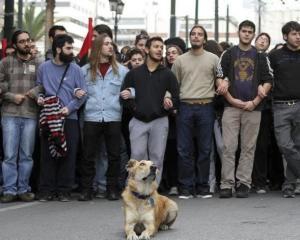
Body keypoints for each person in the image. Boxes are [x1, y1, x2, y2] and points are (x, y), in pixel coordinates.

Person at [217, 20, 273, 198]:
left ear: (253, 34)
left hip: (253, 108)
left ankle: (243, 183)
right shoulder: (228, 53)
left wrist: (255, 101)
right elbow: (219, 76)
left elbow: (269, 80)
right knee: (228, 147)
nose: (247, 34)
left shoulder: (261, 56)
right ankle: (226, 184)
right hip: (230, 107)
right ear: (239, 32)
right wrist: (232, 99)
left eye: (250, 32)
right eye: (244, 31)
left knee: (248, 147)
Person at [121, 36, 179, 185]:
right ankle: (135, 190)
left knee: (157, 158)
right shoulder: (133, 74)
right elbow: (124, 96)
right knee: (137, 157)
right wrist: (133, 107)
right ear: (146, 49)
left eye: (161, 47)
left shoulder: (168, 74)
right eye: (156, 46)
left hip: (160, 121)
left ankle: (151, 191)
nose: (160, 49)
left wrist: (170, 104)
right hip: (138, 121)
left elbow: (176, 97)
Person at [78, 33, 128, 201]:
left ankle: (111, 189)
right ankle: (87, 189)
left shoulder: (122, 70)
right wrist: (75, 91)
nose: (110, 46)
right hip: (91, 116)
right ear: (98, 47)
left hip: (113, 116)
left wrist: (130, 92)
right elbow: (75, 88)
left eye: (111, 44)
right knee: (88, 155)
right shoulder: (84, 70)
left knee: (113, 155)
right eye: (106, 43)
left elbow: (134, 88)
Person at [37, 34, 87, 202]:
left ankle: (64, 190)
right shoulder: (44, 67)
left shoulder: (76, 69)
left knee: (68, 153)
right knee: (47, 154)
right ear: (58, 49)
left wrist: (69, 108)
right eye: (68, 48)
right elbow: (40, 88)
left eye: (72, 48)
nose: (71, 51)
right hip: (49, 117)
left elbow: (83, 94)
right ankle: (46, 190)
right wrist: (40, 97)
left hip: (69, 118)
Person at [171, 26, 219, 199]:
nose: (196, 37)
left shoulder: (214, 59)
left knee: (205, 149)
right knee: (184, 149)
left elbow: (219, 80)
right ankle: (185, 187)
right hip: (185, 106)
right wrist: (173, 104)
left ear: (205, 39)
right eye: (193, 34)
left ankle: (203, 186)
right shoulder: (180, 60)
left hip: (206, 106)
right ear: (189, 38)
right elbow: (173, 85)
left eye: (200, 34)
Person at [0, 30, 42, 203]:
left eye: (28, 40)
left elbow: (45, 84)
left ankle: (24, 189)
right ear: (15, 44)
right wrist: (12, 96)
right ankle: (9, 190)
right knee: (10, 155)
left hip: (30, 114)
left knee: (27, 155)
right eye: (22, 41)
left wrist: (34, 92)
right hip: (9, 113)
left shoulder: (39, 63)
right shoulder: (5, 62)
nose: (26, 43)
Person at [269, 21, 300, 198]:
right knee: (285, 146)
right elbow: (266, 76)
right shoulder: (275, 55)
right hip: (280, 106)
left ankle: (289, 185)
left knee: (297, 146)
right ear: (285, 36)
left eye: (299, 33)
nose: (298, 36)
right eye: (294, 33)